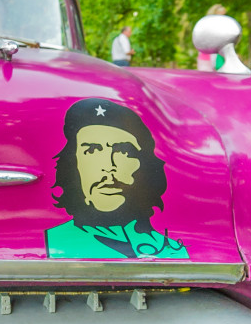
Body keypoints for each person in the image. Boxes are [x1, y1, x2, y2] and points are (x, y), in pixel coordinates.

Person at [45, 98, 188, 259]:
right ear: (72, 163)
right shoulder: (54, 242)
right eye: (92, 150)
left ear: (146, 165)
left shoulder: (173, 249)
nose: (108, 166)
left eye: (124, 151)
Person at [197, 4, 226, 71]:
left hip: (218, 57)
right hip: (206, 57)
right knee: (206, 76)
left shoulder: (222, 27)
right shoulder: (206, 26)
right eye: (221, 15)